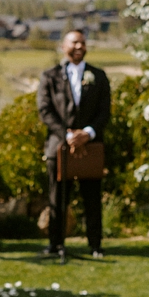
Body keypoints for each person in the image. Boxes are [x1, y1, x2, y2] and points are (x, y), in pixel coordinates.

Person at [36, 29, 112, 262]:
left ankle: (95, 244)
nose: (79, 46)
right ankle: (55, 243)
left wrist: (87, 133)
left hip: (90, 146)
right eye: (74, 42)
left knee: (92, 198)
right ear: (64, 46)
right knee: (57, 198)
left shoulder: (98, 76)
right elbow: (45, 110)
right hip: (59, 145)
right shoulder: (49, 76)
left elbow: (104, 111)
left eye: (82, 42)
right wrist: (67, 135)